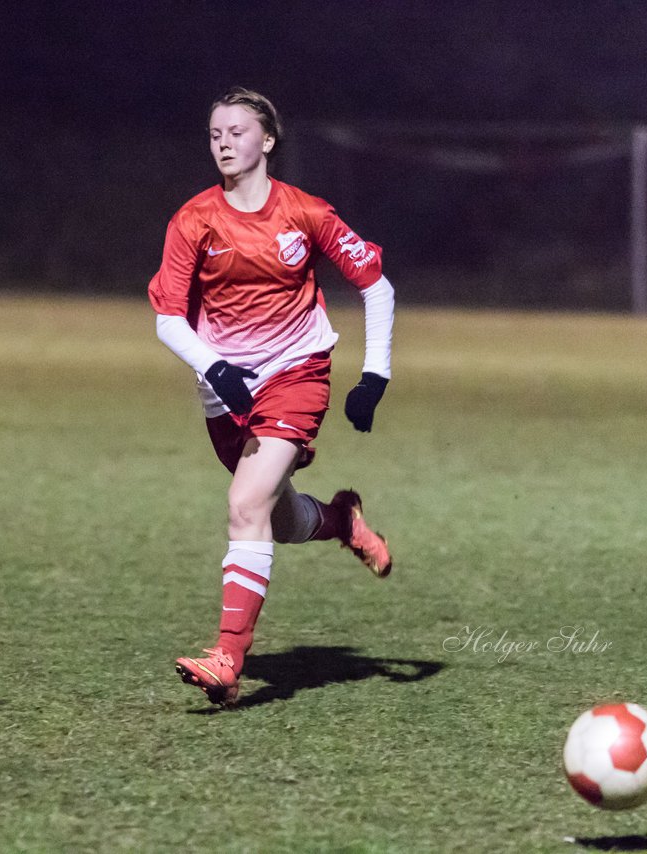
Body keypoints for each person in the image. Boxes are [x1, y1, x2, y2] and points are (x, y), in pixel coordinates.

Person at [149, 87, 396, 707]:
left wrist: (375, 376)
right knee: (275, 519)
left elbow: (377, 285)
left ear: (267, 140)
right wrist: (216, 368)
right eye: (215, 134)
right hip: (224, 390)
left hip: (296, 371)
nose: (225, 142)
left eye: (237, 131)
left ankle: (228, 659)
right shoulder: (193, 220)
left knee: (244, 501)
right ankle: (340, 519)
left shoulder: (306, 213)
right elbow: (167, 318)